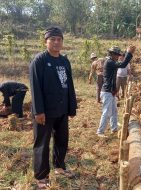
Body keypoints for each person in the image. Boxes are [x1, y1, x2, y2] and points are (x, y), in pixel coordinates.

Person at [29, 26, 77, 189]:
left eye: (59, 39)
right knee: (42, 143)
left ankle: (59, 166)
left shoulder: (64, 61)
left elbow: (69, 84)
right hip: (45, 112)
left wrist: (71, 107)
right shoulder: (39, 61)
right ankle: (41, 177)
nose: (56, 42)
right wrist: (38, 111)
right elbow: (35, 88)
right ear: (46, 42)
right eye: (53, 39)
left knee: (62, 140)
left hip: (61, 109)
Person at [97, 45, 136, 137]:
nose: (118, 56)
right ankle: (100, 131)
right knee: (106, 112)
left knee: (114, 111)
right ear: (112, 54)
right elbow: (122, 64)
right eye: (117, 55)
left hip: (111, 91)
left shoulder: (112, 61)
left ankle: (114, 129)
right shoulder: (109, 62)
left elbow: (122, 64)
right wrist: (129, 53)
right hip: (107, 91)